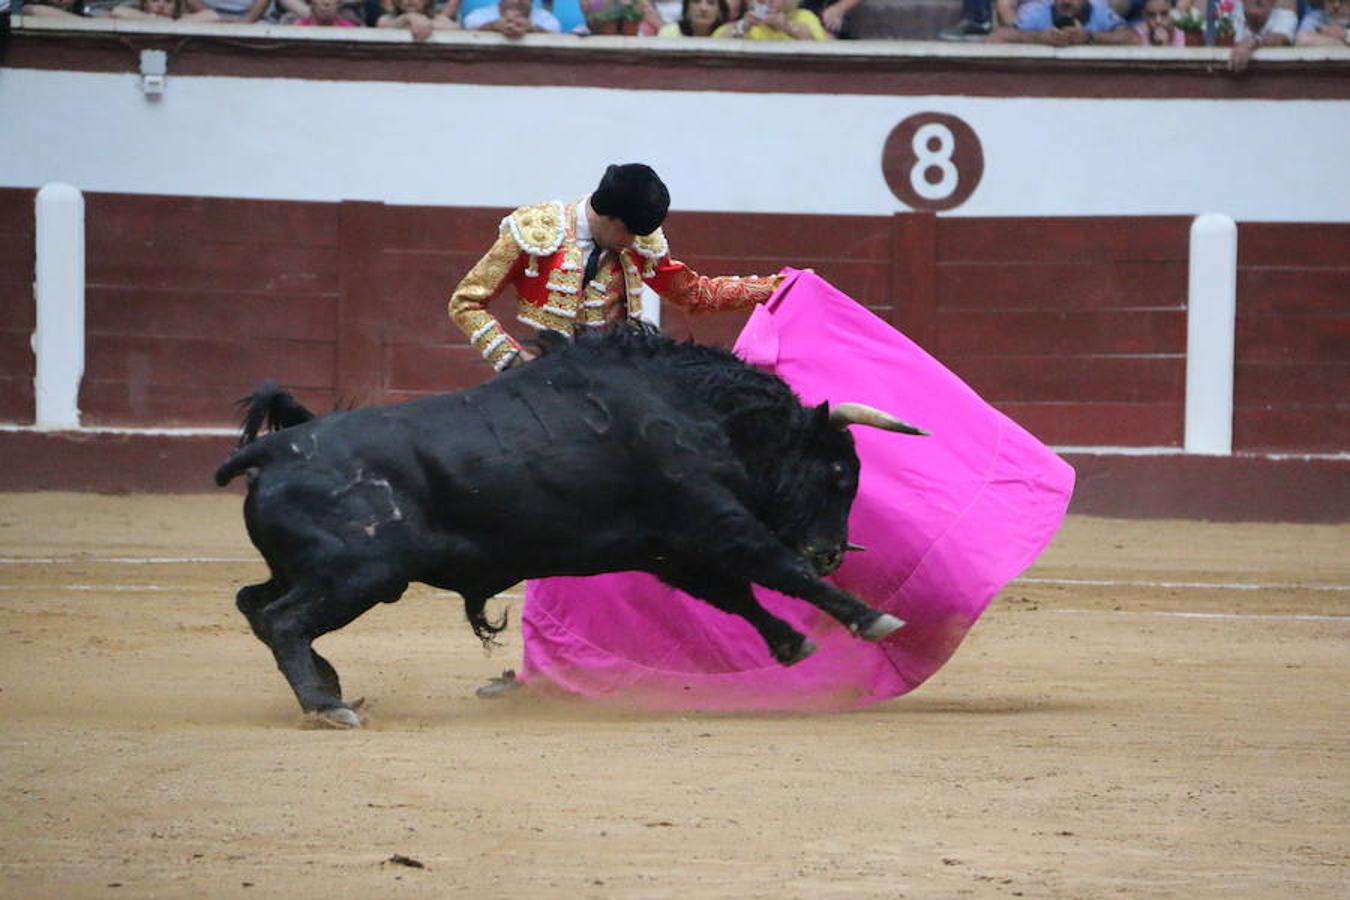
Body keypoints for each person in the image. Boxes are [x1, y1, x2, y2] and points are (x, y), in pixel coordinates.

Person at [448, 163, 782, 372]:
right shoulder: (534, 232)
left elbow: (693, 294)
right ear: (609, 217)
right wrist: (514, 359)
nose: (632, 242)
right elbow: (465, 303)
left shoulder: (636, 242)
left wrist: (775, 288)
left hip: (617, 375)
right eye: (629, 232)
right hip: (546, 377)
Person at [988, 0, 1140, 44]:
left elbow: (1133, 38)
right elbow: (997, 37)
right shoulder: (1041, 11)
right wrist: (1038, 38)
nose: (1066, 1)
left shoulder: (1099, 11)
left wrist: (1089, 37)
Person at [1229, 0, 1296, 71]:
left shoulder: (1285, 15)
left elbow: (1281, 38)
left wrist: (1253, 42)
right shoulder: (1227, 13)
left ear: (1274, 1)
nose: (1258, 0)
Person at [712, 0, 830, 38]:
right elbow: (714, 45)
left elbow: (819, 45)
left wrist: (786, 26)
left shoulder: (803, 16)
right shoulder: (745, 23)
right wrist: (744, 26)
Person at [464, 0, 559, 33]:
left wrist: (531, 28)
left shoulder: (546, 19)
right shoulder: (480, 15)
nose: (518, 1)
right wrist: (493, 26)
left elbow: (554, 30)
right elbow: (470, 25)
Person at [378, 0, 459, 37]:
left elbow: (455, 28)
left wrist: (428, 25)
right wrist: (408, 18)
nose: (410, 1)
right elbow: (383, 24)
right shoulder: (388, 18)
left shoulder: (437, 18)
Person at [657, 0, 727, 34]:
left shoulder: (727, 34)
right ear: (687, 9)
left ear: (719, 12)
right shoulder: (669, 32)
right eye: (696, 1)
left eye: (710, 3)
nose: (703, 8)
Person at [110, 0, 222, 18]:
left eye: (168, 1)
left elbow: (212, 15)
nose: (161, 5)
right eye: (154, 0)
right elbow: (117, 11)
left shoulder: (179, 19)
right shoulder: (136, 14)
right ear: (144, 4)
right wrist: (152, 19)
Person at [292, 0, 359, 23]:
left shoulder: (351, 29)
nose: (326, 2)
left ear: (339, 3)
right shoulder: (295, 28)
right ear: (311, 2)